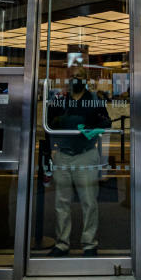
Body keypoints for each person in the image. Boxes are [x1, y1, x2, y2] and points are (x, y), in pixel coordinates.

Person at [45, 67, 112, 257]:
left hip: (86, 152)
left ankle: (90, 243)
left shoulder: (94, 99)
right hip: (63, 154)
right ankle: (62, 244)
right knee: (61, 202)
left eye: (80, 77)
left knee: (89, 201)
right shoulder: (60, 100)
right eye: (73, 77)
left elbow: (106, 123)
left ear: (86, 80)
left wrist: (92, 129)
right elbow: (48, 123)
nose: (76, 80)